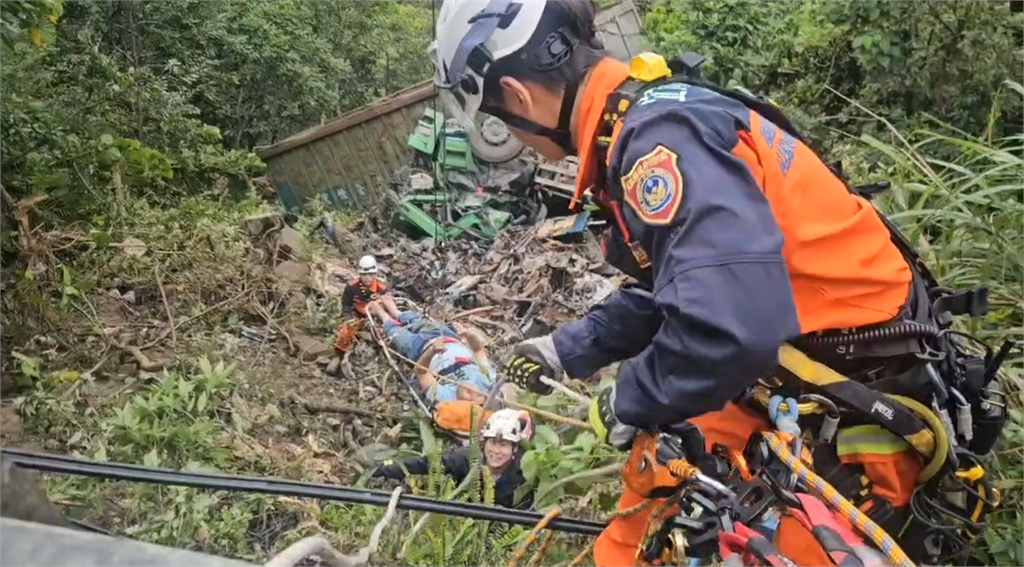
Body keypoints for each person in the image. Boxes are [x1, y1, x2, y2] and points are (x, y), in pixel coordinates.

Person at [429, 1, 1002, 566]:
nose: (517, 137)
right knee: (654, 477)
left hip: (856, 398)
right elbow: (683, 282)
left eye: (503, 120)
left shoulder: (658, 144)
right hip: (816, 360)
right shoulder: (656, 117)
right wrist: (567, 349)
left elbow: (727, 327)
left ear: (520, 95)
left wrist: (629, 398)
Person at [370, 409, 535, 510]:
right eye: (493, 443)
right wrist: (382, 468)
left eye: (504, 445)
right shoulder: (466, 457)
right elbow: (424, 464)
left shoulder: (522, 476)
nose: (496, 451)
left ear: (514, 450)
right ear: (484, 443)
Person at [334, 255, 391, 353]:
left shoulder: (382, 289)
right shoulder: (352, 287)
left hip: (376, 317)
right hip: (358, 314)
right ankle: (339, 352)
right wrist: (349, 318)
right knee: (346, 332)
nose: (367, 277)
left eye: (370, 274)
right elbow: (346, 304)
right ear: (360, 274)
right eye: (364, 274)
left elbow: (388, 308)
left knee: (385, 334)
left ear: (375, 274)